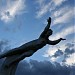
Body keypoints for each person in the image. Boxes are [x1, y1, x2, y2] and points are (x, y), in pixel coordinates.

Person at [0, 17, 66, 66]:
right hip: (29, 45)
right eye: (49, 32)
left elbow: (54, 43)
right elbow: (45, 29)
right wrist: (49, 23)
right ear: (47, 33)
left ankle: (10, 63)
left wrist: (59, 39)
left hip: (33, 50)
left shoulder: (47, 41)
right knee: (18, 50)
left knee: (25, 55)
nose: (50, 33)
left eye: (51, 33)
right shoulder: (42, 36)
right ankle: (2, 55)